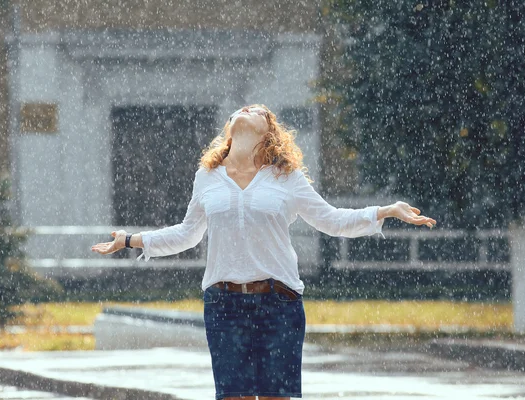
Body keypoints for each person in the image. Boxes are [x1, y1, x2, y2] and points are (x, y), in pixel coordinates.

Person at [91, 104, 437, 400]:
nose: (246, 109)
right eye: (241, 109)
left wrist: (385, 211)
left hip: (279, 303)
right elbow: (186, 234)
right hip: (223, 304)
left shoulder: (287, 177)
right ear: (229, 130)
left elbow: (332, 220)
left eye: (256, 110)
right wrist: (129, 240)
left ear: (269, 132)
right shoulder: (207, 176)